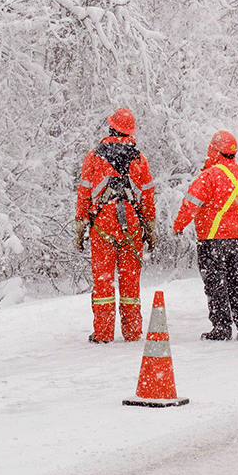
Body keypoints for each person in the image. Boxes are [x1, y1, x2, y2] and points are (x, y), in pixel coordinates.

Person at [76, 107, 155, 343]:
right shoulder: (139, 159)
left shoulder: (93, 157)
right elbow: (148, 197)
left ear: (110, 127)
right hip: (131, 226)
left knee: (103, 282)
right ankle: (132, 332)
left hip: (102, 225)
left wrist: (80, 226)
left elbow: (84, 193)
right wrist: (150, 229)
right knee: (130, 282)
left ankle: (103, 333)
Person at [173, 130, 238, 342]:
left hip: (212, 240)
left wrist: (179, 225)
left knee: (215, 284)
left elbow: (191, 204)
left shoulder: (208, 176)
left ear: (214, 150)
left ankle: (221, 327)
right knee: (236, 282)